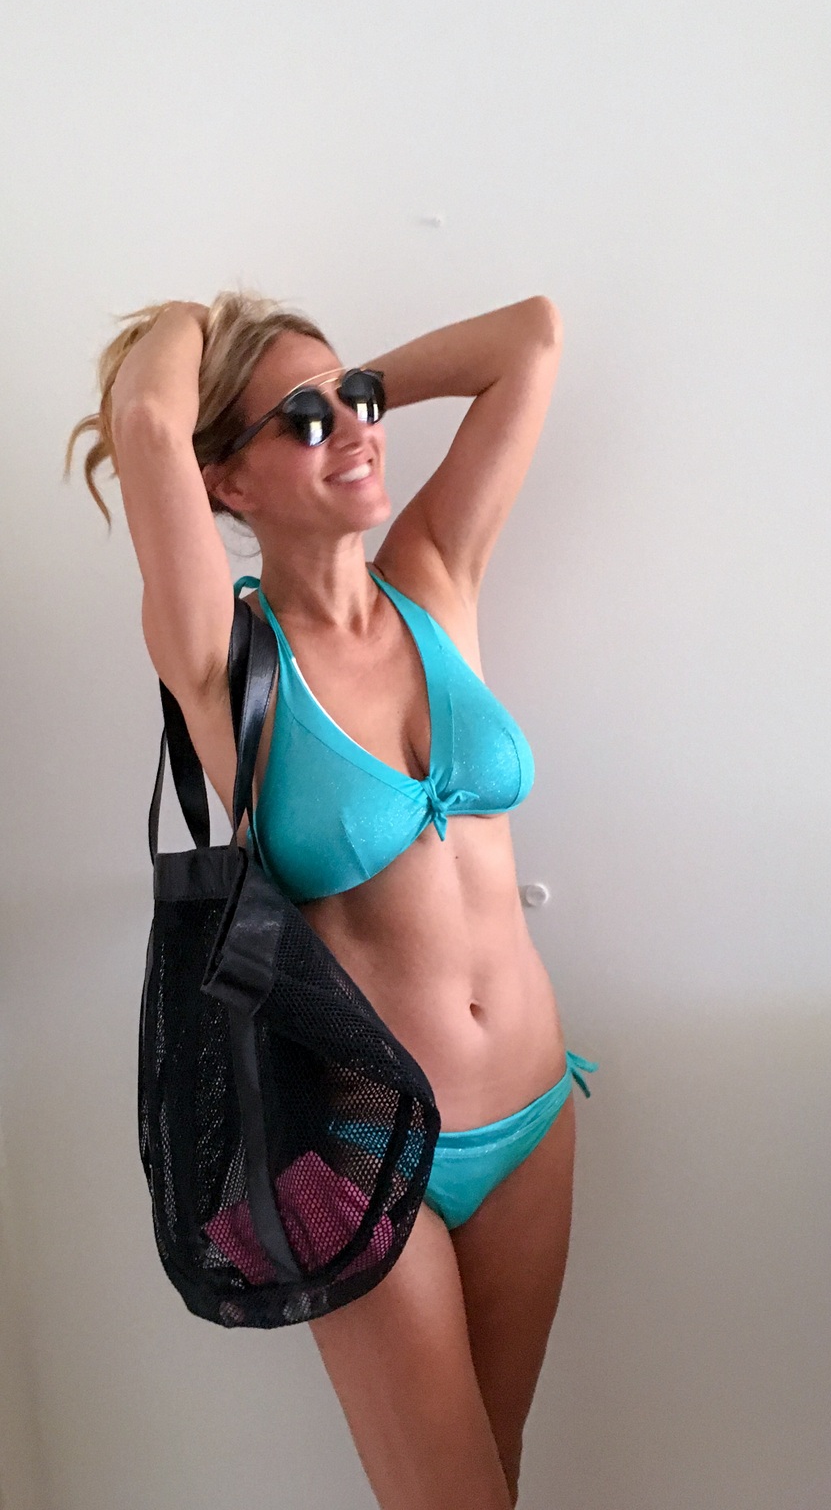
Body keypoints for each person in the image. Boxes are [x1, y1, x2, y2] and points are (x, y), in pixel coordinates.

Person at [66, 290, 597, 1510]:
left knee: (496, 1476)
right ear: (227, 481)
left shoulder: (433, 578)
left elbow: (529, 337)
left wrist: (347, 400)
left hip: (531, 1111)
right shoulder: (224, 658)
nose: (356, 428)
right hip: (362, 1150)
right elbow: (146, 421)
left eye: (356, 400)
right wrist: (196, 314)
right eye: (303, 420)